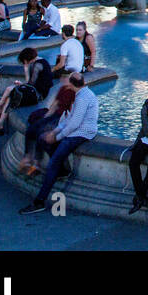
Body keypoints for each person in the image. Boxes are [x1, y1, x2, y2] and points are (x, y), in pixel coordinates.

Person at [20, 72, 100, 214]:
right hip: (74, 130)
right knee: (42, 139)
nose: (65, 82)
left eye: (67, 81)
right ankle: (63, 170)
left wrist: (56, 137)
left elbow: (74, 124)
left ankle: (39, 202)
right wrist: (54, 132)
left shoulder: (83, 98)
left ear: (72, 84)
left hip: (82, 133)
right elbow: (69, 119)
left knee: (53, 162)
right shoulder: (79, 94)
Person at [0, 46, 52, 135]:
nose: (24, 63)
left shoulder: (37, 65)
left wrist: (25, 72)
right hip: (36, 91)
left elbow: (31, 84)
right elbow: (32, 84)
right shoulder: (41, 61)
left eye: (24, 61)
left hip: (38, 94)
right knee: (11, 92)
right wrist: (23, 82)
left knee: (12, 94)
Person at [16, 83, 77, 177]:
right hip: (55, 115)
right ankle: (27, 157)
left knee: (41, 133)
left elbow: (73, 112)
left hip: (63, 119)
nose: (63, 80)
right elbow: (54, 105)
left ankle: (36, 163)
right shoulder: (63, 88)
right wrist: (44, 118)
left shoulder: (76, 92)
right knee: (33, 128)